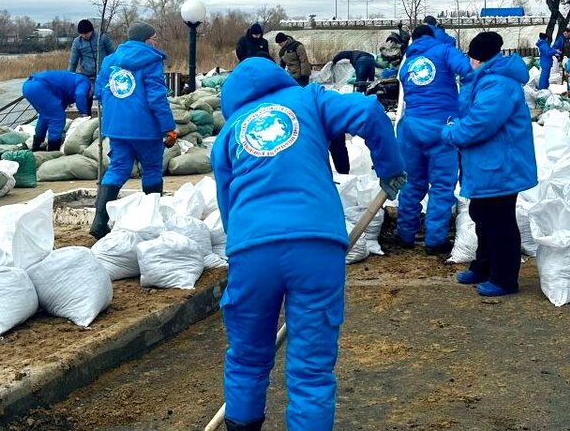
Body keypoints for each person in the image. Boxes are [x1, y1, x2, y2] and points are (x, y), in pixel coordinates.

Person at [211, 57, 406, 431]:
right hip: (315, 244)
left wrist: (243, 242)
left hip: (253, 249)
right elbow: (367, 109)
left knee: (248, 357)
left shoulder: (230, 132)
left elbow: (227, 202)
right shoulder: (310, 100)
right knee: (311, 368)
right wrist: (390, 166)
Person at [442, 32, 537, 297]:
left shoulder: (499, 84)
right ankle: (483, 266)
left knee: (500, 222)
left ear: (477, 57)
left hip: (501, 166)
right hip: (487, 164)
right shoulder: (484, 80)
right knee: (482, 216)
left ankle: (504, 278)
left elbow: (480, 124)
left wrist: (450, 133)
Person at [89, 23, 177, 239]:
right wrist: (169, 127)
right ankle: (151, 219)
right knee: (152, 169)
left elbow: (99, 92)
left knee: (117, 169)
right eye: (154, 38)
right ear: (146, 39)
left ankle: (100, 221)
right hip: (145, 128)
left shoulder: (110, 61)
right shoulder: (151, 61)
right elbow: (156, 97)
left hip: (116, 128)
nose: (156, 41)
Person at [396, 25, 473, 253]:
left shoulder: (407, 63)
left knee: (411, 183)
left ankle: (405, 234)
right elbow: (468, 71)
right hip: (441, 128)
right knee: (441, 185)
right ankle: (435, 240)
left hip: (410, 128)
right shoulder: (445, 51)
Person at [22, 71, 92, 151]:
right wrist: (84, 114)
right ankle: (53, 150)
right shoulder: (84, 81)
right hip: (39, 87)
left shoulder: (72, 79)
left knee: (44, 115)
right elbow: (80, 94)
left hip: (28, 86)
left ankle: (37, 145)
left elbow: (62, 96)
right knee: (57, 118)